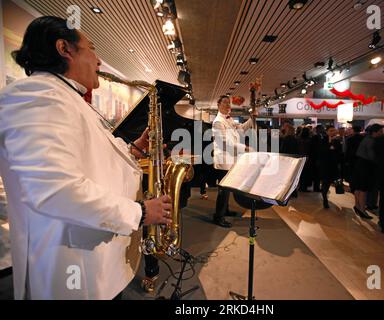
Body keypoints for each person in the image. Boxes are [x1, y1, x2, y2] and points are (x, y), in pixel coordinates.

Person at [0, 16, 172, 299]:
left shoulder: (63, 96)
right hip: (72, 271)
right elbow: (55, 190)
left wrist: (133, 150)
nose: (99, 61)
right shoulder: (37, 95)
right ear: (64, 49)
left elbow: (85, 159)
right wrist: (140, 212)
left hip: (92, 260)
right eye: (92, 48)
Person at [212, 95, 256, 228]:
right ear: (218, 105)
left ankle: (225, 210)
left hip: (231, 160)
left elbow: (242, 128)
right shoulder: (218, 122)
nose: (227, 105)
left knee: (227, 188)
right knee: (223, 191)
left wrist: (252, 118)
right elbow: (225, 143)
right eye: (224, 102)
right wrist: (245, 148)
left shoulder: (229, 119)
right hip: (224, 161)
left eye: (229, 103)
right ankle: (218, 216)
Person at [352, 124, 384, 219]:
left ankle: (358, 206)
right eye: (380, 132)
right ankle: (362, 210)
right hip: (366, 166)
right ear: (374, 132)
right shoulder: (371, 141)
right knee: (363, 189)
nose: (381, 133)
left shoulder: (366, 139)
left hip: (360, 164)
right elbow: (371, 156)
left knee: (358, 187)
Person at [318, 126, 343, 209]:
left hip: (334, 165)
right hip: (325, 165)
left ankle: (338, 191)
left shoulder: (337, 141)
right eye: (331, 131)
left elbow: (339, 153)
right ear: (327, 131)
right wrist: (329, 144)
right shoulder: (323, 140)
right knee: (326, 183)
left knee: (337, 181)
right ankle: (325, 199)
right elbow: (322, 152)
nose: (333, 132)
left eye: (334, 130)